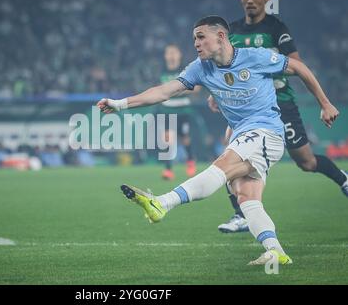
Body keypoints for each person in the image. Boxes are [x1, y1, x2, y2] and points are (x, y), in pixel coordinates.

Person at [97, 15, 339, 265]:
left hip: (267, 132)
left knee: (222, 166)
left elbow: (298, 68)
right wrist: (119, 104)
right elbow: (163, 91)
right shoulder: (200, 68)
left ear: (221, 36)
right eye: (194, 39)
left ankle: (162, 203)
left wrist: (325, 103)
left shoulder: (255, 57)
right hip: (245, 135)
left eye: (201, 37)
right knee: (246, 197)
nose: (196, 44)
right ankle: (275, 251)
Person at [210, 0, 348, 233]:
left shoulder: (276, 29)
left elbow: (298, 66)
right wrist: (216, 92)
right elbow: (222, 66)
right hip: (246, 108)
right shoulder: (232, 31)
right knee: (229, 153)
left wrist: (324, 103)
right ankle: (240, 214)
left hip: (280, 103)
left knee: (306, 162)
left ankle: (344, 179)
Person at [158, 44, 198, 180]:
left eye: (174, 52)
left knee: (185, 139)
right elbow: (159, 90)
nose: (171, 55)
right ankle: (168, 170)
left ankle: (191, 162)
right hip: (167, 109)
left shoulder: (185, 70)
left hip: (183, 110)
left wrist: (173, 91)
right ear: (165, 56)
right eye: (169, 53)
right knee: (168, 140)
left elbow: (196, 88)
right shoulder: (161, 71)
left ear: (179, 55)